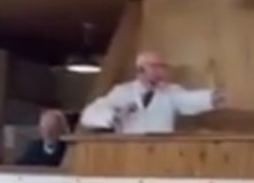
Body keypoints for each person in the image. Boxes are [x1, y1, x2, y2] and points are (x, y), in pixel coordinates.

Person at [79, 51, 226, 134]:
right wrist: (114, 116)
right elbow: (89, 114)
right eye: (155, 66)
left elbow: (188, 100)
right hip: (128, 151)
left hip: (161, 151)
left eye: (163, 66)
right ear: (141, 69)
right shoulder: (122, 92)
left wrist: (214, 97)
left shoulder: (170, 92)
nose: (161, 71)